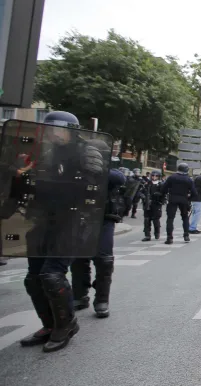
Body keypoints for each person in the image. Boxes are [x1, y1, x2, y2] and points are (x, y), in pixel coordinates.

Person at [17, 111, 108, 352]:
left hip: (73, 220)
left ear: (71, 130)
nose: (51, 134)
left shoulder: (87, 152)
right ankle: (49, 324)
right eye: (48, 129)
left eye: (57, 129)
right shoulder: (45, 153)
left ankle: (66, 325)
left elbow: (95, 188)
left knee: (52, 275)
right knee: (33, 278)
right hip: (44, 220)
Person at [71, 163, 126, 318]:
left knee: (104, 259)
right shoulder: (73, 169)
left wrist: (98, 169)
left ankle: (102, 299)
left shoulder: (109, 173)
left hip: (103, 219)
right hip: (77, 217)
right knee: (78, 258)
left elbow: (120, 178)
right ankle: (80, 295)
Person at [161, 163, 198, 244]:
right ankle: (186, 235)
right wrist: (189, 198)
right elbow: (194, 192)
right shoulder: (188, 179)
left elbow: (164, 188)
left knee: (170, 219)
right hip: (184, 199)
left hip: (172, 199)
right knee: (185, 218)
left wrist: (164, 196)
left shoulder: (172, 177)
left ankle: (169, 237)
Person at [141, 169, 165, 241]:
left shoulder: (161, 184)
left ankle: (157, 233)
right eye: (153, 176)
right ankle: (147, 235)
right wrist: (142, 196)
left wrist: (159, 195)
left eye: (156, 176)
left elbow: (164, 194)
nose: (154, 177)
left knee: (155, 219)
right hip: (147, 203)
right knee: (146, 219)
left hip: (156, 204)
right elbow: (141, 191)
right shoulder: (147, 184)